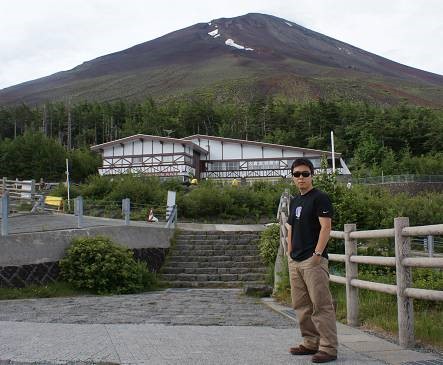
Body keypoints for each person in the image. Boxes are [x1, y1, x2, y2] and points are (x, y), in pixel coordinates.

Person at [286, 157, 338, 363]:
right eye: (297, 174)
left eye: (305, 174)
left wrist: (317, 254)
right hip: (295, 260)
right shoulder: (295, 200)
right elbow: (290, 227)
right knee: (301, 305)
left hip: (313, 260)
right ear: (292, 177)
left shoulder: (320, 198)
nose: (301, 178)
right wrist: (290, 250)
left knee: (321, 305)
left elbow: (326, 227)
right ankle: (310, 342)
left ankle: (328, 348)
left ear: (312, 175)